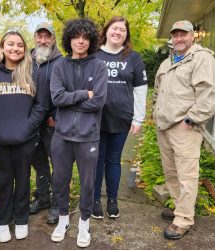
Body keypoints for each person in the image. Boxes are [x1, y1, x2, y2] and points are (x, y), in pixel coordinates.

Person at [153, 20, 215, 240]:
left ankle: (183, 219)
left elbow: (209, 94)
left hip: (185, 128)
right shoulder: (167, 62)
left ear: (193, 36)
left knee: (186, 175)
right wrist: (155, 113)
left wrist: (191, 120)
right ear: (171, 38)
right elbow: (157, 92)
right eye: (175, 35)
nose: (179, 39)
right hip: (164, 126)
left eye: (183, 34)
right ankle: (179, 209)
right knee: (171, 172)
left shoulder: (202, 58)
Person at [0, 31, 48, 242]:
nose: (15, 48)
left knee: (22, 181)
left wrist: (28, 126)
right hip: (0, 139)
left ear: (24, 48)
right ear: (2, 47)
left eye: (20, 45)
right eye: (10, 44)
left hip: (26, 139)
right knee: (2, 182)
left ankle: (21, 220)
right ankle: (3, 221)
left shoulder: (32, 71)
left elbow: (41, 105)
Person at [50, 18, 108, 248]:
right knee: (60, 180)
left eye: (85, 37)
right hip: (62, 135)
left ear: (91, 40)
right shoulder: (59, 66)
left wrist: (69, 99)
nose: (81, 41)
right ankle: (63, 219)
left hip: (88, 136)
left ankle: (84, 222)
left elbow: (99, 101)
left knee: (87, 183)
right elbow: (56, 98)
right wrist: (85, 93)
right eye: (76, 36)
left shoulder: (99, 66)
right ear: (69, 39)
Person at [92, 16, 148, 219]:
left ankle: (113, 200)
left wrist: (138, 118)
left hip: (121, 118)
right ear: (106, 31)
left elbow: (141, 90)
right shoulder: (94, 54)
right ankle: (95, 199)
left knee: (113, 160)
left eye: (122, 30)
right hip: (95, 119)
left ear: (126, 34)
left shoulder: (133, 57)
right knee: (97, 160)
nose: (117, 32)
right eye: (114, 28)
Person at [29, 22, 62, 224]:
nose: (43, 40)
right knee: (38, 164)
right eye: (39, 36)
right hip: (31, 123)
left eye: (46, 36)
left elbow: (67, 91)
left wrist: (56, 117)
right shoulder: (25, 60)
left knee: (57, 164)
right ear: (34, 38)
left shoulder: (61, 62)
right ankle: (43, 198)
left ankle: (58, 203)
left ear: (53, 39)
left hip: (52, 123)